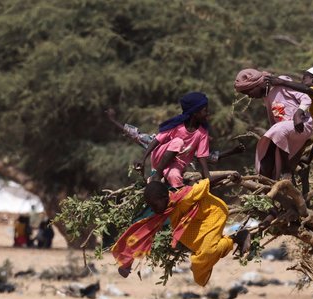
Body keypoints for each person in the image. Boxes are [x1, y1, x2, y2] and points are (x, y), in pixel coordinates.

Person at [112, 175, 250, 286]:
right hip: (196, 222)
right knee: (197, 267)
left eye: (154, 204)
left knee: (208, 251)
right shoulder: (165, 209)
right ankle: (207, 255)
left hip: (213, 213)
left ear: (165, 197)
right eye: (150, 206)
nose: (153, 208)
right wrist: (127, 263)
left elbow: (205, 183)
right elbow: (142, 233)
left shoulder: (184, 197)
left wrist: (228, 175)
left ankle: (236, 237)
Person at [105, 109, 246, 177]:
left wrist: (233, 151)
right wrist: (112, 121)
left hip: (180, 175)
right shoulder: (159, 140)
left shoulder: (192, 148)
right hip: (160, 173)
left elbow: (211, 157)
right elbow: (134, 134)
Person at [266, 66, 313, 195]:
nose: (301, 79)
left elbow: (306, 89)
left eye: (305, 77)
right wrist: (309, 158)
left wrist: (281, 82)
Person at [234, 68, 313, 180]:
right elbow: (273, 121)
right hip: (284, 133)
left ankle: (286, 170)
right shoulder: (266, 97)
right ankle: (266, 183)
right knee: (264, 150)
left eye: (249, 92)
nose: (249, 96)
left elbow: (306, 99)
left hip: (302, 126)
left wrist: (298, 115)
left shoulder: (280, 82)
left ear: (257, 85)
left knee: (278, 130)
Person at [140, 92, 212, 188]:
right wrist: (143, 160)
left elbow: (202, 157)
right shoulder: (177, 125)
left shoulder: (202, 133)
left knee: (175, 177)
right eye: (205, 110)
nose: (207, 113)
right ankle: (157, 175)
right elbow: (156, 140)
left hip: (177, 163)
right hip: (160, 157)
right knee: (178, 142)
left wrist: (208, 181)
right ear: (195, 112)